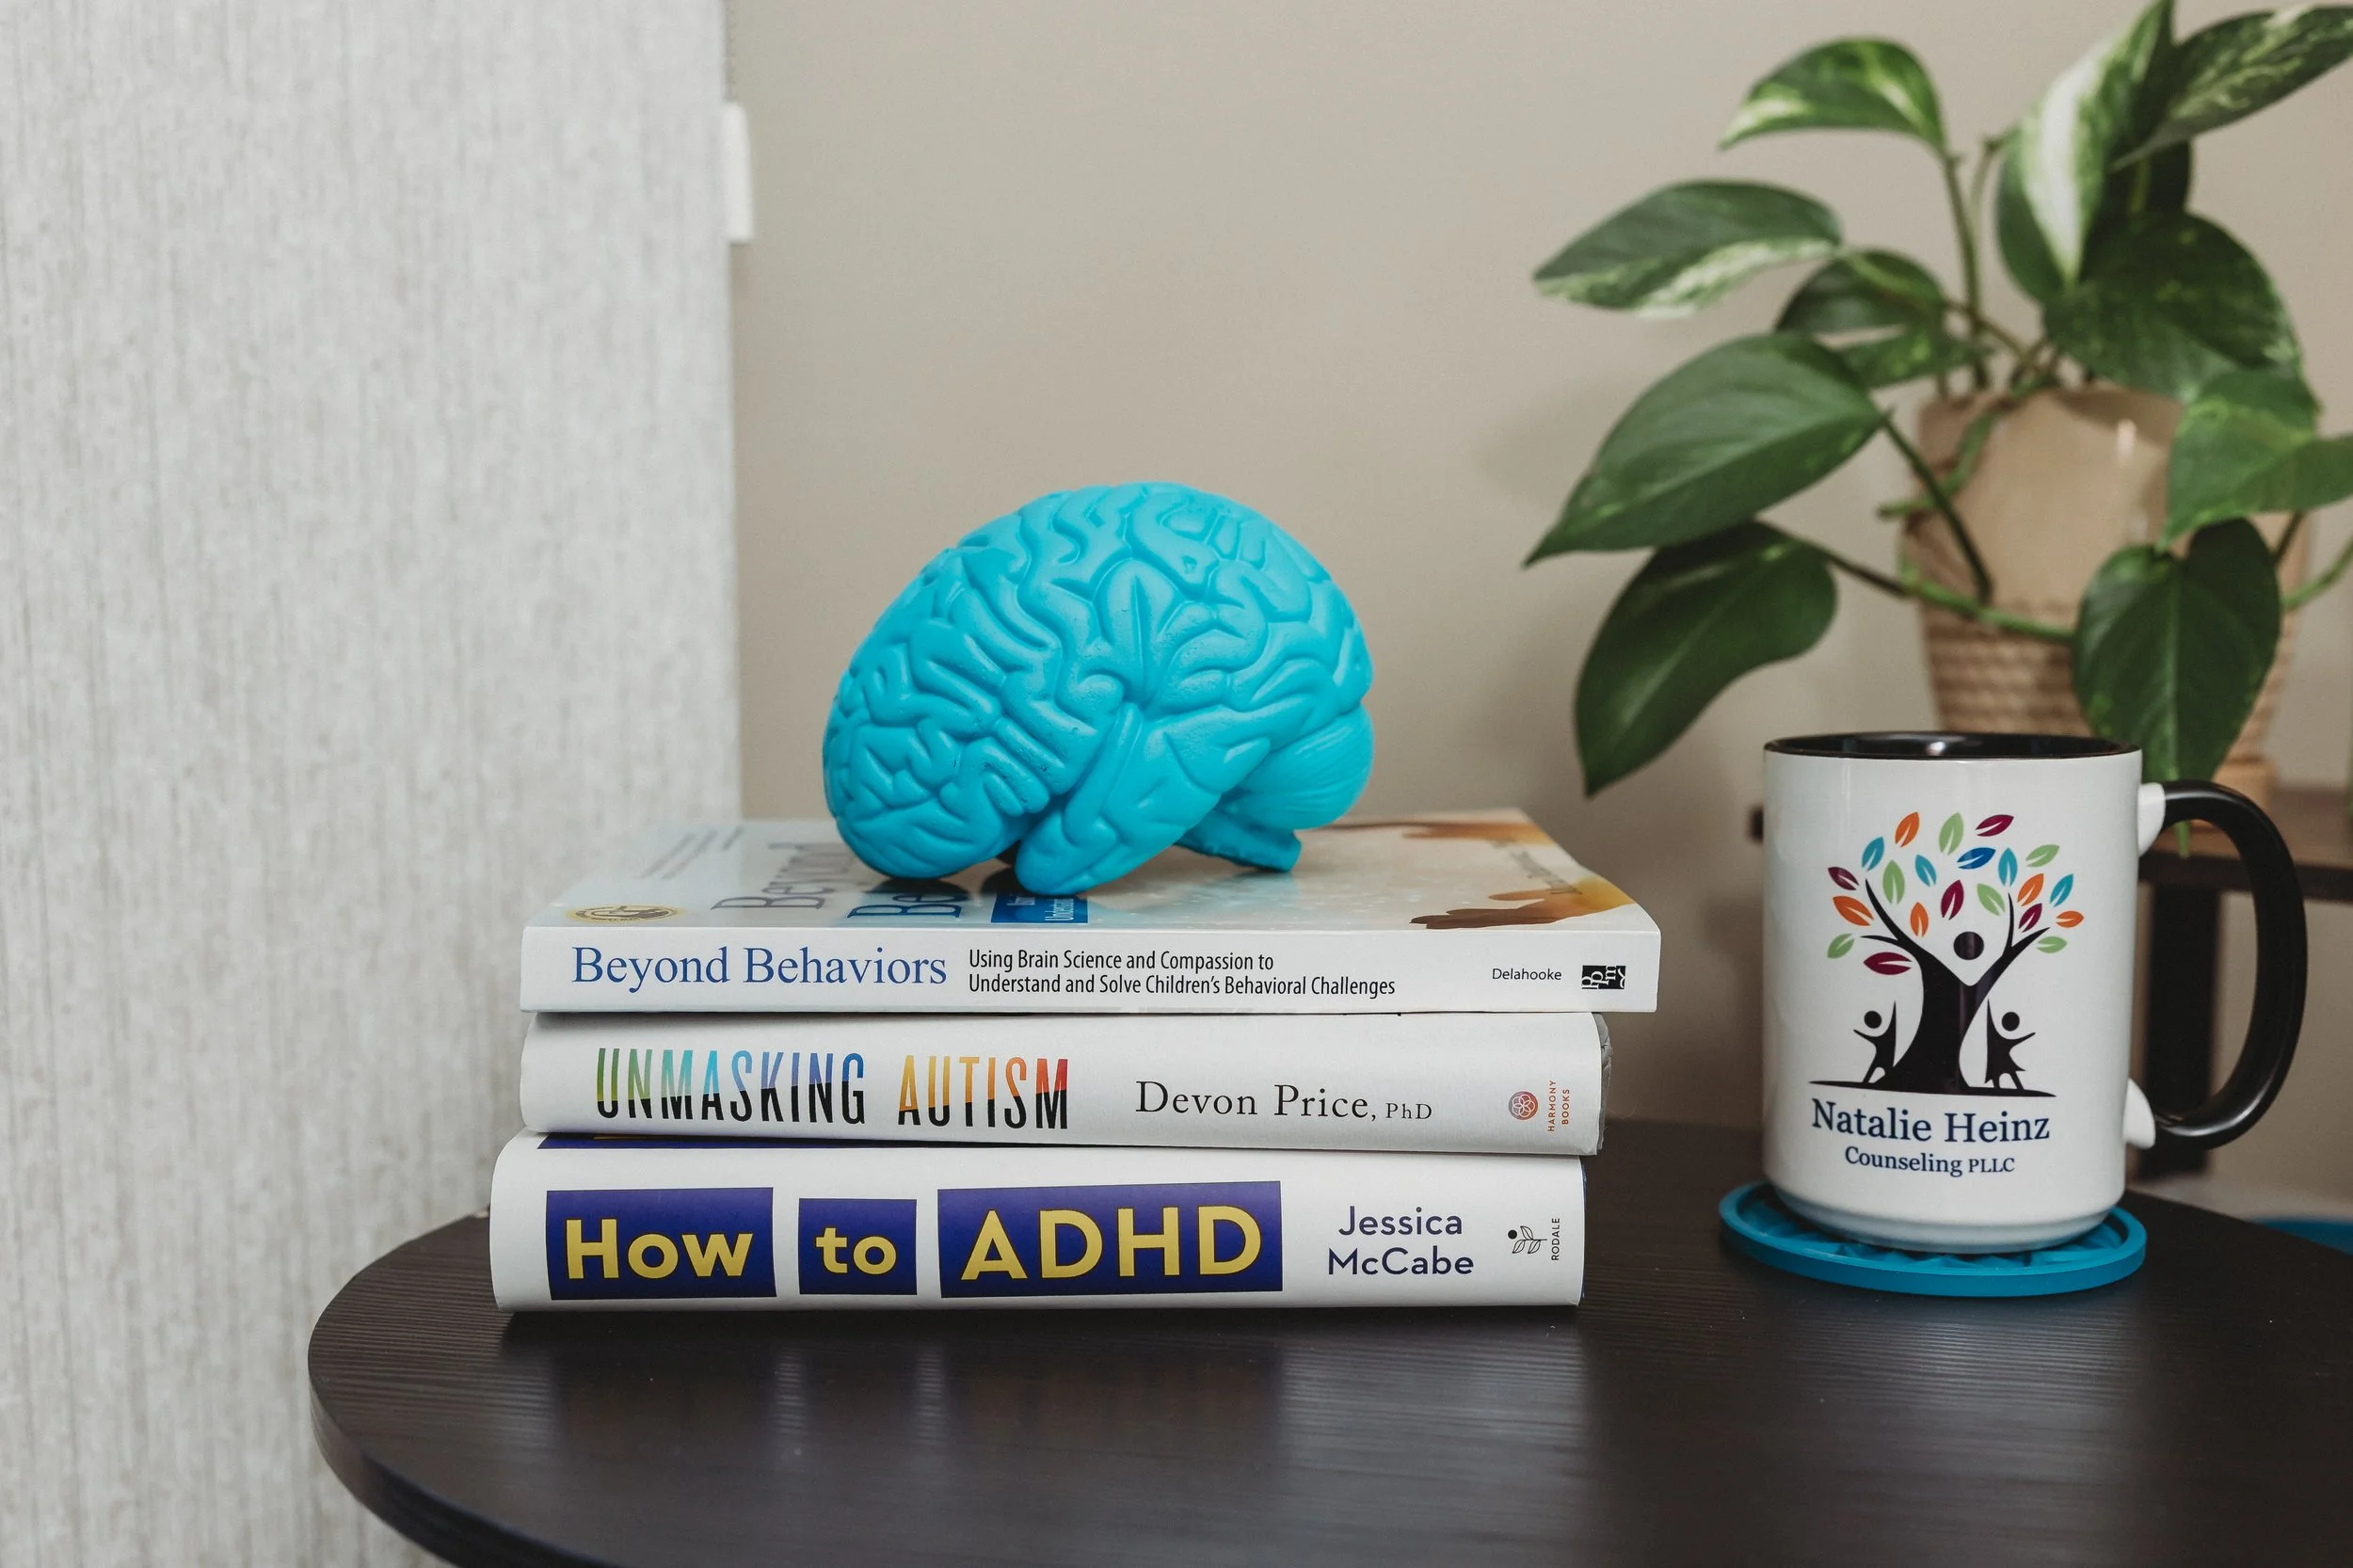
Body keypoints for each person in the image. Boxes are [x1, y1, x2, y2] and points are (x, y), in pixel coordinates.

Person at [1984, 1011, 2033, 1092]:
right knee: (2002, 1073)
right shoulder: (2000, 1041)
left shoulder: (2000, 1041)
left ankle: (2000, 1088)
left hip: (2002, 1061)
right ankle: (2017, 1089)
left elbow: (2015, 1041)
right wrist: (2029, 1036)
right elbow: (2016, 1041)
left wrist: (2029, 1036)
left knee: (2001, 1073)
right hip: (2001, 1061)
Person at [1855, 1007, 1899, 1085]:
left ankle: (1866, 1082)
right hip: (1885, 1057)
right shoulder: (1886, 1037)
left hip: (1884, 1057)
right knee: (1875, 1072)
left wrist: (1859, 1033)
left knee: (1874, 1072)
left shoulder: (1885, 1038)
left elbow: (1874, 1039)